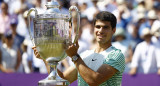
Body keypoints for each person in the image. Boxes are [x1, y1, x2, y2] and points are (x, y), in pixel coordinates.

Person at [33, 11, 125, 86]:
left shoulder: (116, 55)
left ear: (114, 30)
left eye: (105, 27)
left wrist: (74, 56)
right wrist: (46, 58)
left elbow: (94, 81)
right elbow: (62, 82)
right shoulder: (85, 55)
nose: (100, 31)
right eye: (98, 27)